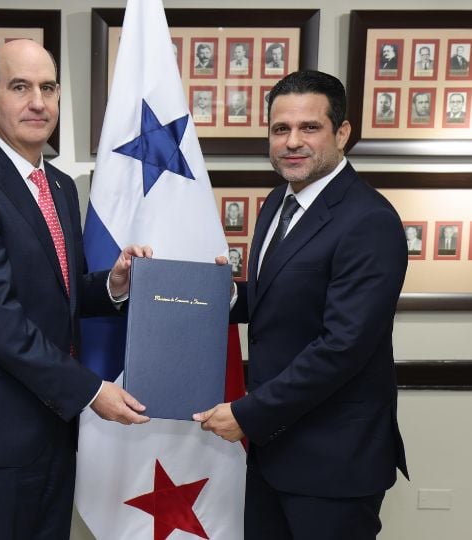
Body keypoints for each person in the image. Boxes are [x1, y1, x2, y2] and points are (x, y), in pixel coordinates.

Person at [0, 39, 152, 540]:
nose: (38, 102)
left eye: (48, 88)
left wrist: (112, 286)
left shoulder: (60, 187)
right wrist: (90, 391)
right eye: (20, 87)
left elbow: (55, 294)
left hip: (52, 430)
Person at [194, 70, 408, 540]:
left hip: (334, 464)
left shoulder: (369, 221)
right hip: (274, 453)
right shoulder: (277, 202)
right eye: (280, 129)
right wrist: (208, 295)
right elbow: (278, 298)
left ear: (342, 133)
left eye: (309, 128)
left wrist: (248, 414)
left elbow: (342, 347)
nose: (292, 142)